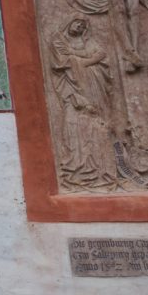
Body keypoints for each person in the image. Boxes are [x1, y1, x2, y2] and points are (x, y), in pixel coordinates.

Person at [50, 17, 117, 188]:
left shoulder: (89, 41)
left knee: (98, 122)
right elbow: (62, 62)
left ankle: (101, 168)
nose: (79, 26)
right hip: (73, 90)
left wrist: (80, 59)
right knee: (75, 124)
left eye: (83, 25)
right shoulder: (59, 40)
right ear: (69, 22)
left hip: (95, 85)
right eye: (77, 22)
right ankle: (80, 166)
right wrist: (85, 59)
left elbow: (101, 54)